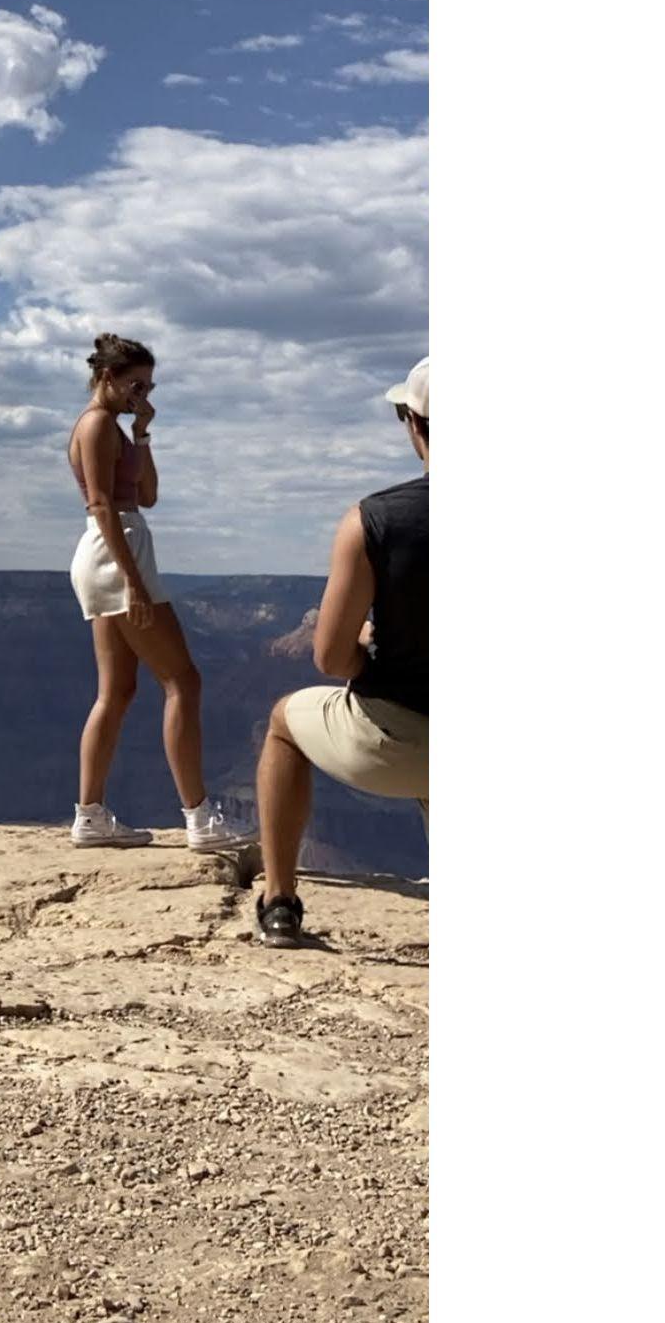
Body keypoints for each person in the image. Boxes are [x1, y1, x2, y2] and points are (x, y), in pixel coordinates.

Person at [253, 356, 429, 947]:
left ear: (413, 423)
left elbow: (329, 659)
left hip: (398, 739)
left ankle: (279, 901)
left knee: (283, 722)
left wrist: (362, 646)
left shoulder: (373, 521)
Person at [65, 333, 253, 852]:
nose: (140, 394)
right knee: (183, 682)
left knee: (118, 691)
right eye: (134, 385)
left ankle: (91, 816)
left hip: (115, 548)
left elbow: (146, 496)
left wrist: (144, 434)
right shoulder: (98, 424)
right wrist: (133, 582)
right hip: (116, 552)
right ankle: (200, 820)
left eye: (147, 386)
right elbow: (102, 505)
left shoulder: (117, 427)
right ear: (106, 378)